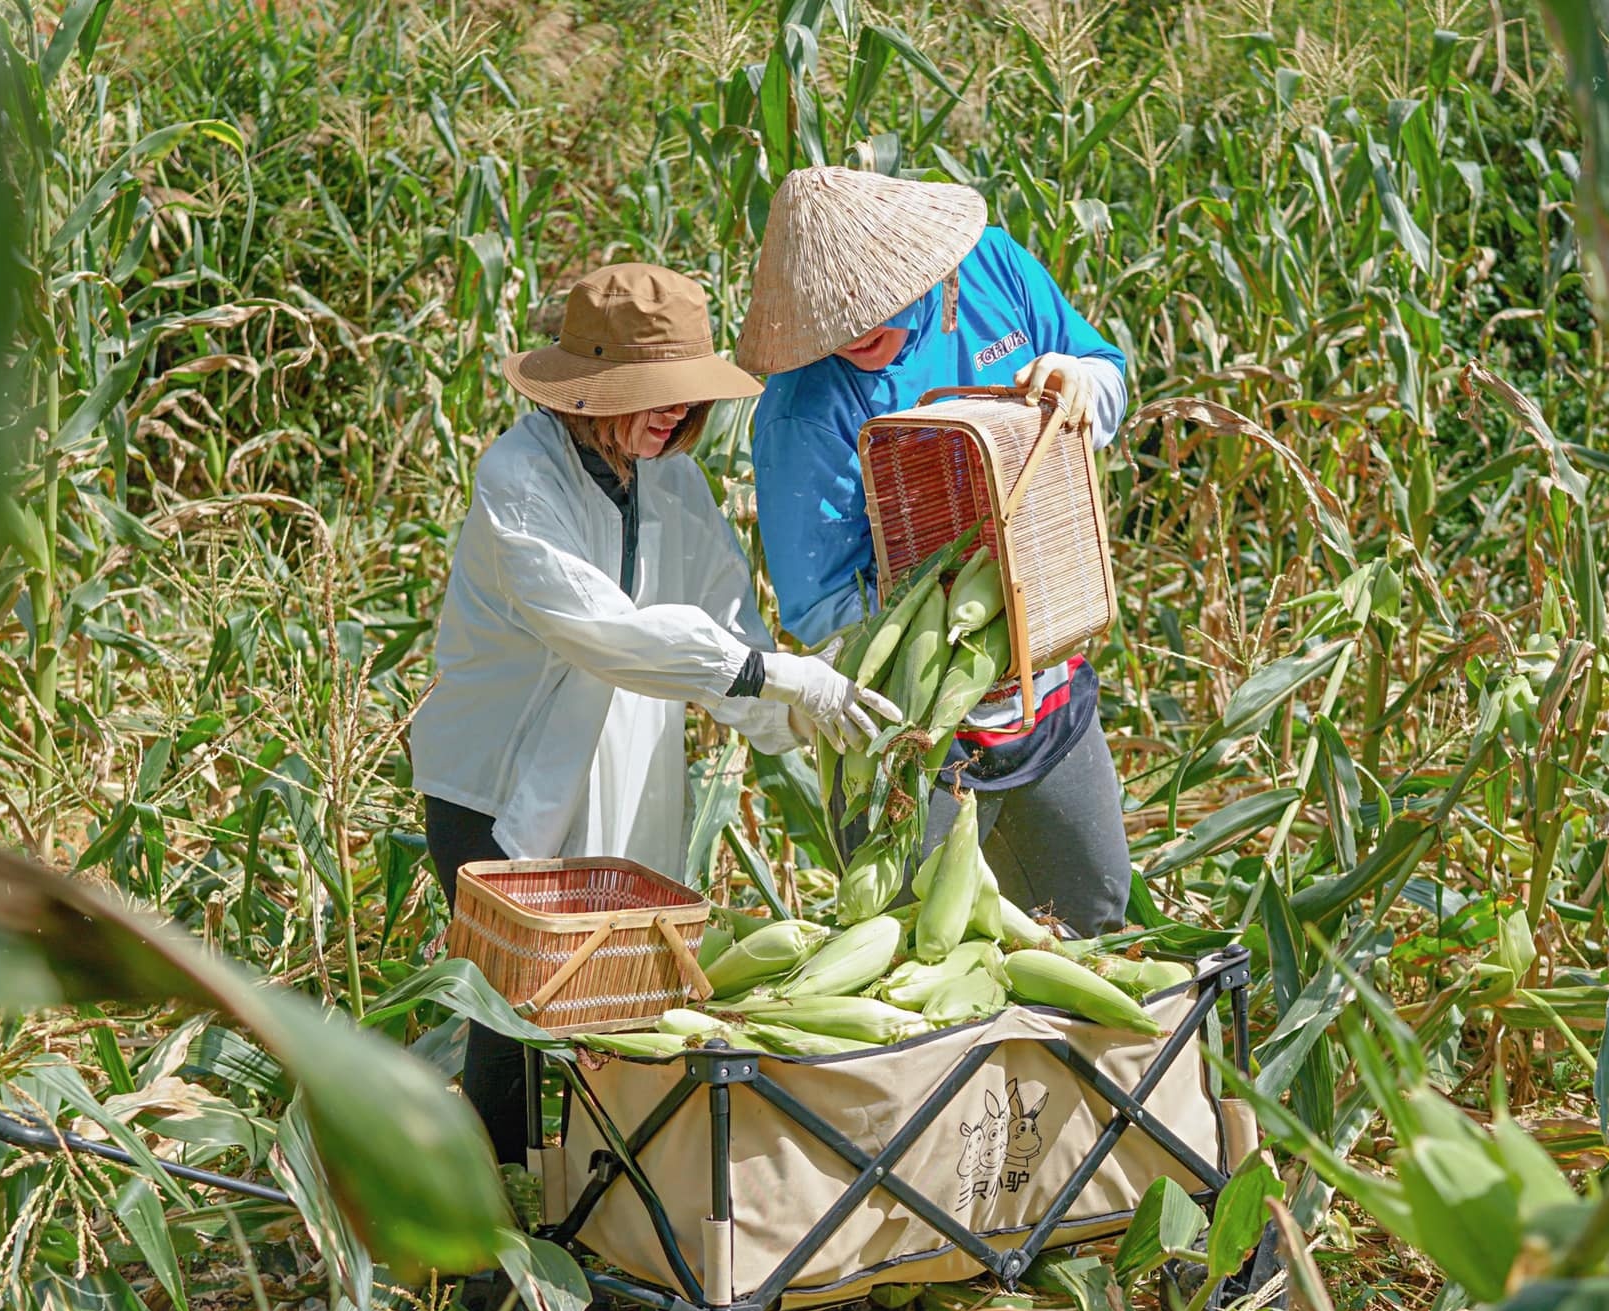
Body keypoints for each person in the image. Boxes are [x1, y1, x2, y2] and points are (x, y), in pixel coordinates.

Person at [410, 263, 899, 1164]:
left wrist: (803, 718)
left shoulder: (671, 484)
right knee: (509, 1022)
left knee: (620, 1017)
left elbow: (725, 628)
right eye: (648, 394)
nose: (672, 414)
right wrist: (773, 677)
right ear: (589, 389)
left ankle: (596, 1217)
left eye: (682, 395)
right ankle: (490, 1254)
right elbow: (610, 634)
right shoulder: (520, 477)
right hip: (498, 787)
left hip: (623, 783)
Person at [734, 167, 1133, 938]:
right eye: (830, 325)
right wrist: (953, 635)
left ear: (929, 274)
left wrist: (1082, 381)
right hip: (918, 732)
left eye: (869, 316)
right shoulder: (803, 411)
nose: (851, 338)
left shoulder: (996, 269)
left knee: (1094, 918)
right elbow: (822, 606)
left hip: (1050, 688)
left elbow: (1108, 378)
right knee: (922, 949)